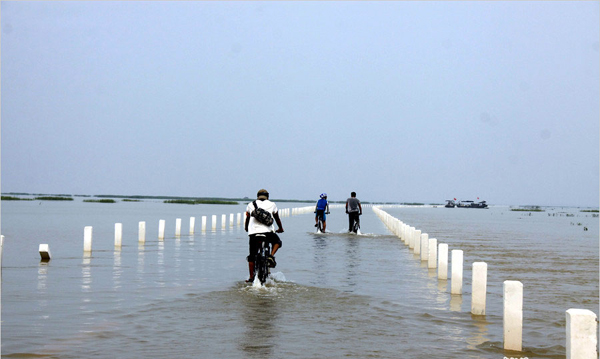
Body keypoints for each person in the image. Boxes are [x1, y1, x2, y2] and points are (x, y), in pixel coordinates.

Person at [244, 189, 284, 283]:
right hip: (268, 232)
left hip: (253, 233)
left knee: (252, 256)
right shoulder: (272, 204)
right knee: (277, 242)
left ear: (257, 196)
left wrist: (246, 228)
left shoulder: (250, 204)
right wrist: (281, 228)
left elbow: (247, 218)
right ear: (267, 196)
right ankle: (271, 255)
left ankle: (251, 278)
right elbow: (277, 218)